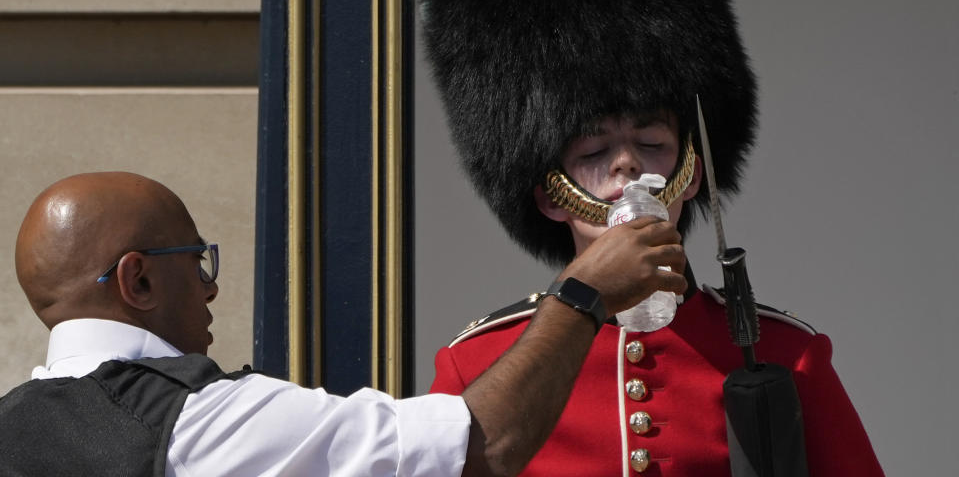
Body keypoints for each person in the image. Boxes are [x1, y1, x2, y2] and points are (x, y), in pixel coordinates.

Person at [419, 0, 884, 476]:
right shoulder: (477, 365)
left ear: (690, 172)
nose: (628, 167)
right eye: (591, 151)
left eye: (653, 142)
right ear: (550, 194)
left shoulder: (787, 353)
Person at [0, 171, 688, 477]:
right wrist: (580, 294)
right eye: (196, 264)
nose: (210, 293)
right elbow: (479, 447)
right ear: (138, 280)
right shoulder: (203, 423)